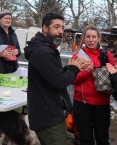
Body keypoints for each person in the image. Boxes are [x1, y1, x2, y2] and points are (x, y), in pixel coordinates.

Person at [24, 12, 88, 145]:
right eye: (56, 27)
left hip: (48, 114)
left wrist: (69, 68)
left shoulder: (45, 49)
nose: (60, 31)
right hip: (49, 118)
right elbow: (59, 81)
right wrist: (74, 69)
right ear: (45, 28)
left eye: (62, 28)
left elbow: (52, 75)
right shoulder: (43, 51)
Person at [71, 24, 116, 145]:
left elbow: (114, 77)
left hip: (101, 103)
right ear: (84, 38)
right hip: (82, 103)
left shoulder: (106, 55)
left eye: (94, 37)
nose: (91, 40)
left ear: (98, 38)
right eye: (88, 36)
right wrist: (87, 72)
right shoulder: (77, 56)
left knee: (102, 139)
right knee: (85, 140)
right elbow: (72, 80)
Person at [0, 10, 21, 88]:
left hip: (12, 71)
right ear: (0, 20)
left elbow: (18, 49)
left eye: (10, 18)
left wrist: (17, 52)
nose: (8, 20)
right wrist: (0, 54)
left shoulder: (13, 33)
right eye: (5, 18)